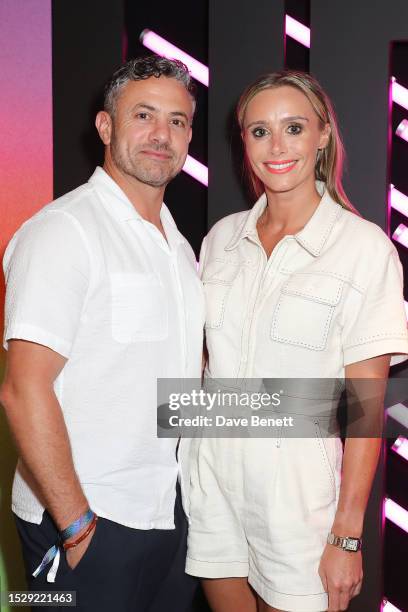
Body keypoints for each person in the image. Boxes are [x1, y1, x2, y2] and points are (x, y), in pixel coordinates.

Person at [185, 71, 408, 612]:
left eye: (294, 127)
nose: (277, 146)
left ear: (323, 135)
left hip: (298, 502)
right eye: (259, 131)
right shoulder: (221, 239)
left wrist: (346, 536)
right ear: (244, 142)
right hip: (212, 485)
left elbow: (364, 408)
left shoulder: (362, 248)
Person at [0, 55, 204, 611]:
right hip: (83, 524)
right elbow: (23, 389)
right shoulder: (62, 232)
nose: (162, 135)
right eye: (144, 115)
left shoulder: (179, 247)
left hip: (166, 514)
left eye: (178, 121)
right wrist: (77, 526)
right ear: (106, 126)